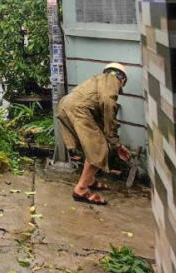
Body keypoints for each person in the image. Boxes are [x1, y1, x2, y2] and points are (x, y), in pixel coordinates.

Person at [57, 63, 133, 205]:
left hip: (65, 105)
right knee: (98, 149)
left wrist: (114, 143)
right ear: (122, 79)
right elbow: (108, 105)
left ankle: (90, 180)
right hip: (78, 109)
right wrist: (115, 143)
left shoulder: (98, 79)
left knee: (91, 146)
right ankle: (81, 189)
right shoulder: (112, 80)